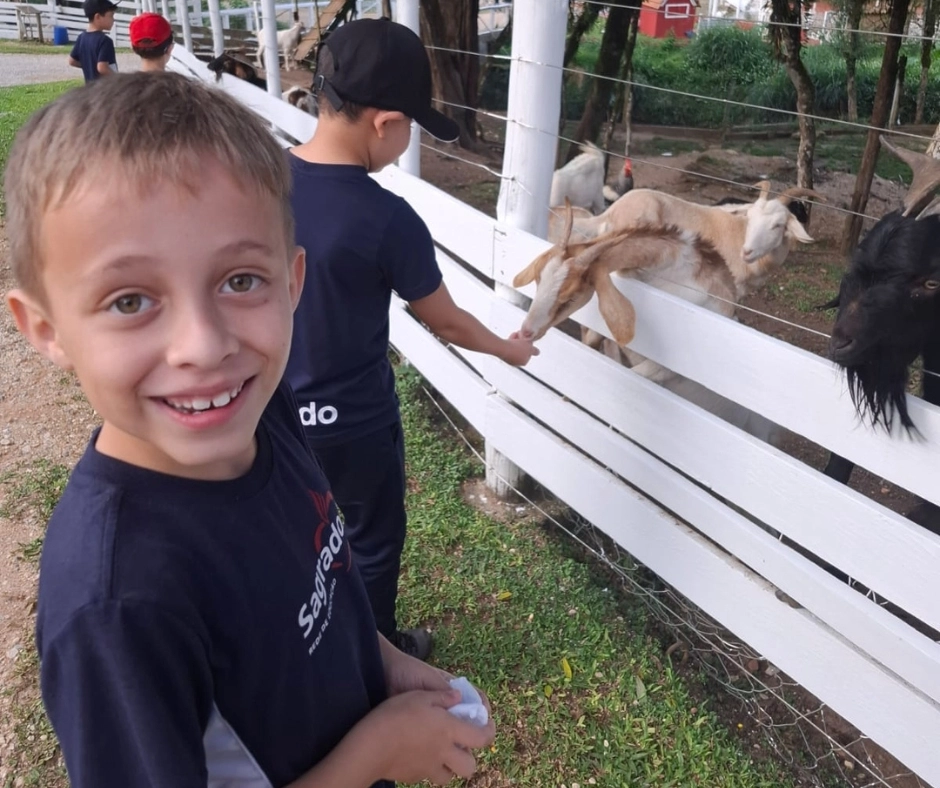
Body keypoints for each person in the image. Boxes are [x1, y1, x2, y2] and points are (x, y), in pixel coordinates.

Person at [3, 71, 495, 788]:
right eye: (131, 299)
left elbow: (330, 590)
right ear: (46, 329)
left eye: (240, 281)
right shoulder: (118, 606)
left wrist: (393, 669)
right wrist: (376, 756)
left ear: (293, 283)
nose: (203, 346)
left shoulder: (267, 416)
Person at [286, 17, 539, 661]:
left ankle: (302, 650)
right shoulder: (388, 218)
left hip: (276, 416)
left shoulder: (260, 185)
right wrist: (509, 349)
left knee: (290, 537)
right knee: (371, 540)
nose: (405, 144)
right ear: (383, 123)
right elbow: (445, 319)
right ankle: (373, 660)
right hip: (355, 425)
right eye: (410, 130)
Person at [68, 0, 119, 83]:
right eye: (111, 16)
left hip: (90, 90)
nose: (113, 20)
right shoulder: (105, 41)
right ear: (98, 17)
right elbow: (102, 67)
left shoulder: (81, 37)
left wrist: (89, 66)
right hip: (104, 90)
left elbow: (72, 61)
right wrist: (118, 79)